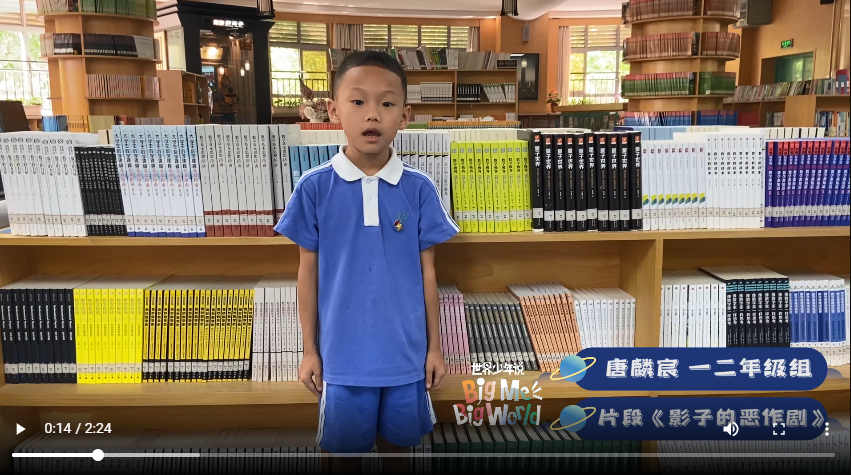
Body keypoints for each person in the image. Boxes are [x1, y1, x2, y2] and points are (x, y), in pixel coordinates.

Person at [273, 50, 458, 473]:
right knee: (342, 460)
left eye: (387, 103)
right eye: (358, 101)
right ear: (334, 110)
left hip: (406, 360)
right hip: (341, 362)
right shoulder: (314, 187)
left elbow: (428, 273)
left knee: (399, 455)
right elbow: (307, 273)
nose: (372, 114)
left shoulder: (419, 188)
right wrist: (309, 351)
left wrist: (435, 347)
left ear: (405, 115)